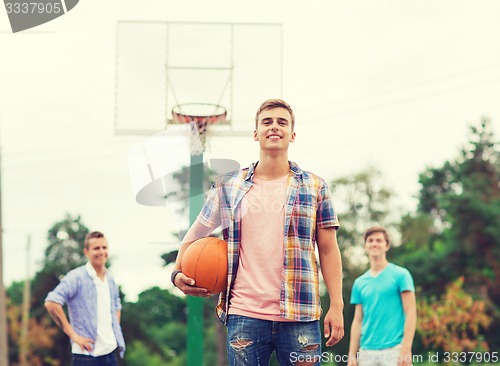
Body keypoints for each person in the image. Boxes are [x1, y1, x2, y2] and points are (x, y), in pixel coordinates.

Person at [171, 99, 344, 365]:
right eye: (267, 122)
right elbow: (194, 234)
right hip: (245, 314)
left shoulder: (315, 186)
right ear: (256, 133)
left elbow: (329, 249)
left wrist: (337, 304)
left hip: (301, 313)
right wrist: (176, 272)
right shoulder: (229, 186)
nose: (274, 127)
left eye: (282, 122)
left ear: (292, 135)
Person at [45, 231, 126, 366]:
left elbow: (116, 305)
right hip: (86, 356)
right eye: (96, 248)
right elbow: (51, 302)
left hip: (110, 353)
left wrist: (113, 332)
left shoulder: (110, 278)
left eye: (104, 247)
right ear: (86, 252)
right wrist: (73, 335)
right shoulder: (76, 277)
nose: (101, 252)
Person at [348, 226, 416, 366]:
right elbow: (358, 320)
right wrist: (352, 355)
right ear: (366, 246)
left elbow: (411, 312)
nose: (374, 243)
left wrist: (406, 349)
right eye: (370, 240)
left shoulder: (401, 275)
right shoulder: (359, 283)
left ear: (387, 245)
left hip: (395, 349)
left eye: (379, 240)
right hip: (367, 352)